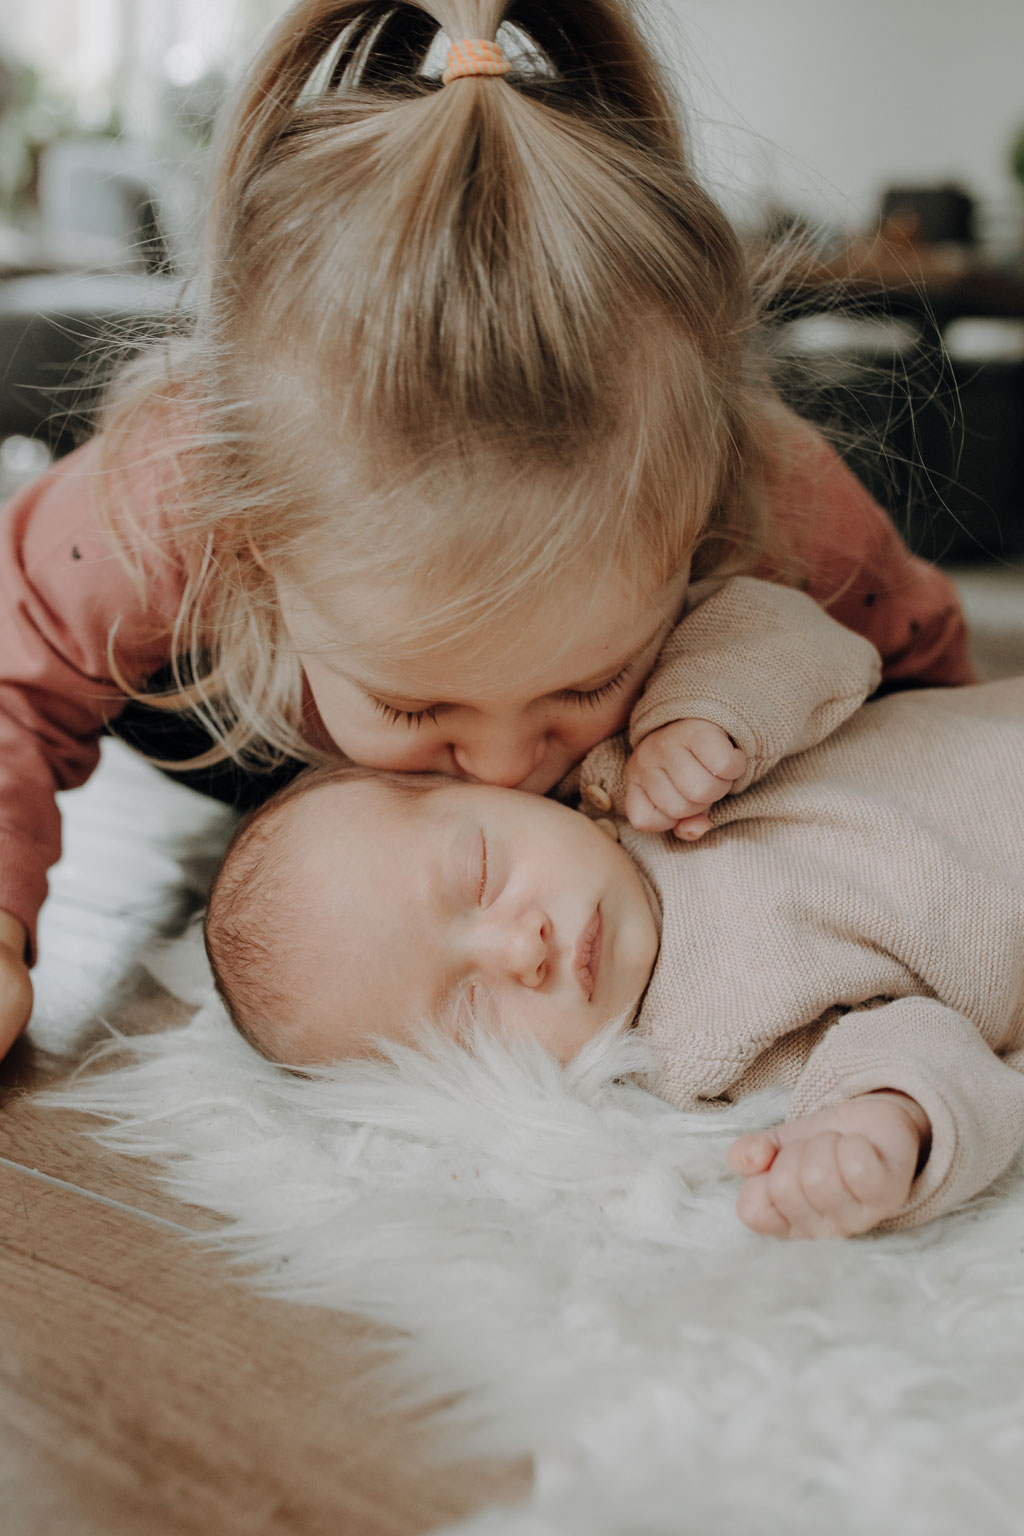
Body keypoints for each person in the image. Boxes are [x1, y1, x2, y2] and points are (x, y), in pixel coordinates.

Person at [0, 0, 974, 1059]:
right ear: (249, 546)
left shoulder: (770, 495)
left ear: (694, 525)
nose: (508, 768)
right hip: (221, 707)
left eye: (587, 681)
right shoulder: (169, 495)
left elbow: (929, 713)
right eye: (416, 702)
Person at [203, 578, 1024, 1240]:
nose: (521, 949)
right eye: (470, 1009)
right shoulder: (698, 1048)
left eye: (482, 872)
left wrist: (708, 715)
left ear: (494, 792)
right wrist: (886, 1126)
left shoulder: (627, 752)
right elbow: (923, 1045)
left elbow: (800, 633)